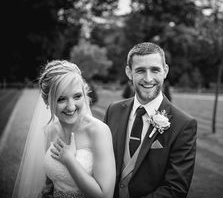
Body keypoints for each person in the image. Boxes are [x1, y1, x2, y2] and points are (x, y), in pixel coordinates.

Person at [104, 42, 197, 198]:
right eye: (140, 70)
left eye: (155, 70)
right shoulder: (113, 110)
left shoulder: (184, 124)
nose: (148, 79)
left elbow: (175, 189)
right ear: (129, 72)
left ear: (165, 71)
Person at [13, 60, 116, 198]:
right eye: (61, 99)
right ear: (47, 101)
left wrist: (69, 160)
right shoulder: (50, 131)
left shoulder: (98, 131)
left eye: (77, 96)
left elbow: (105, 195)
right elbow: (51, 181)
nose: (71, 106)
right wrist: (48, 189)